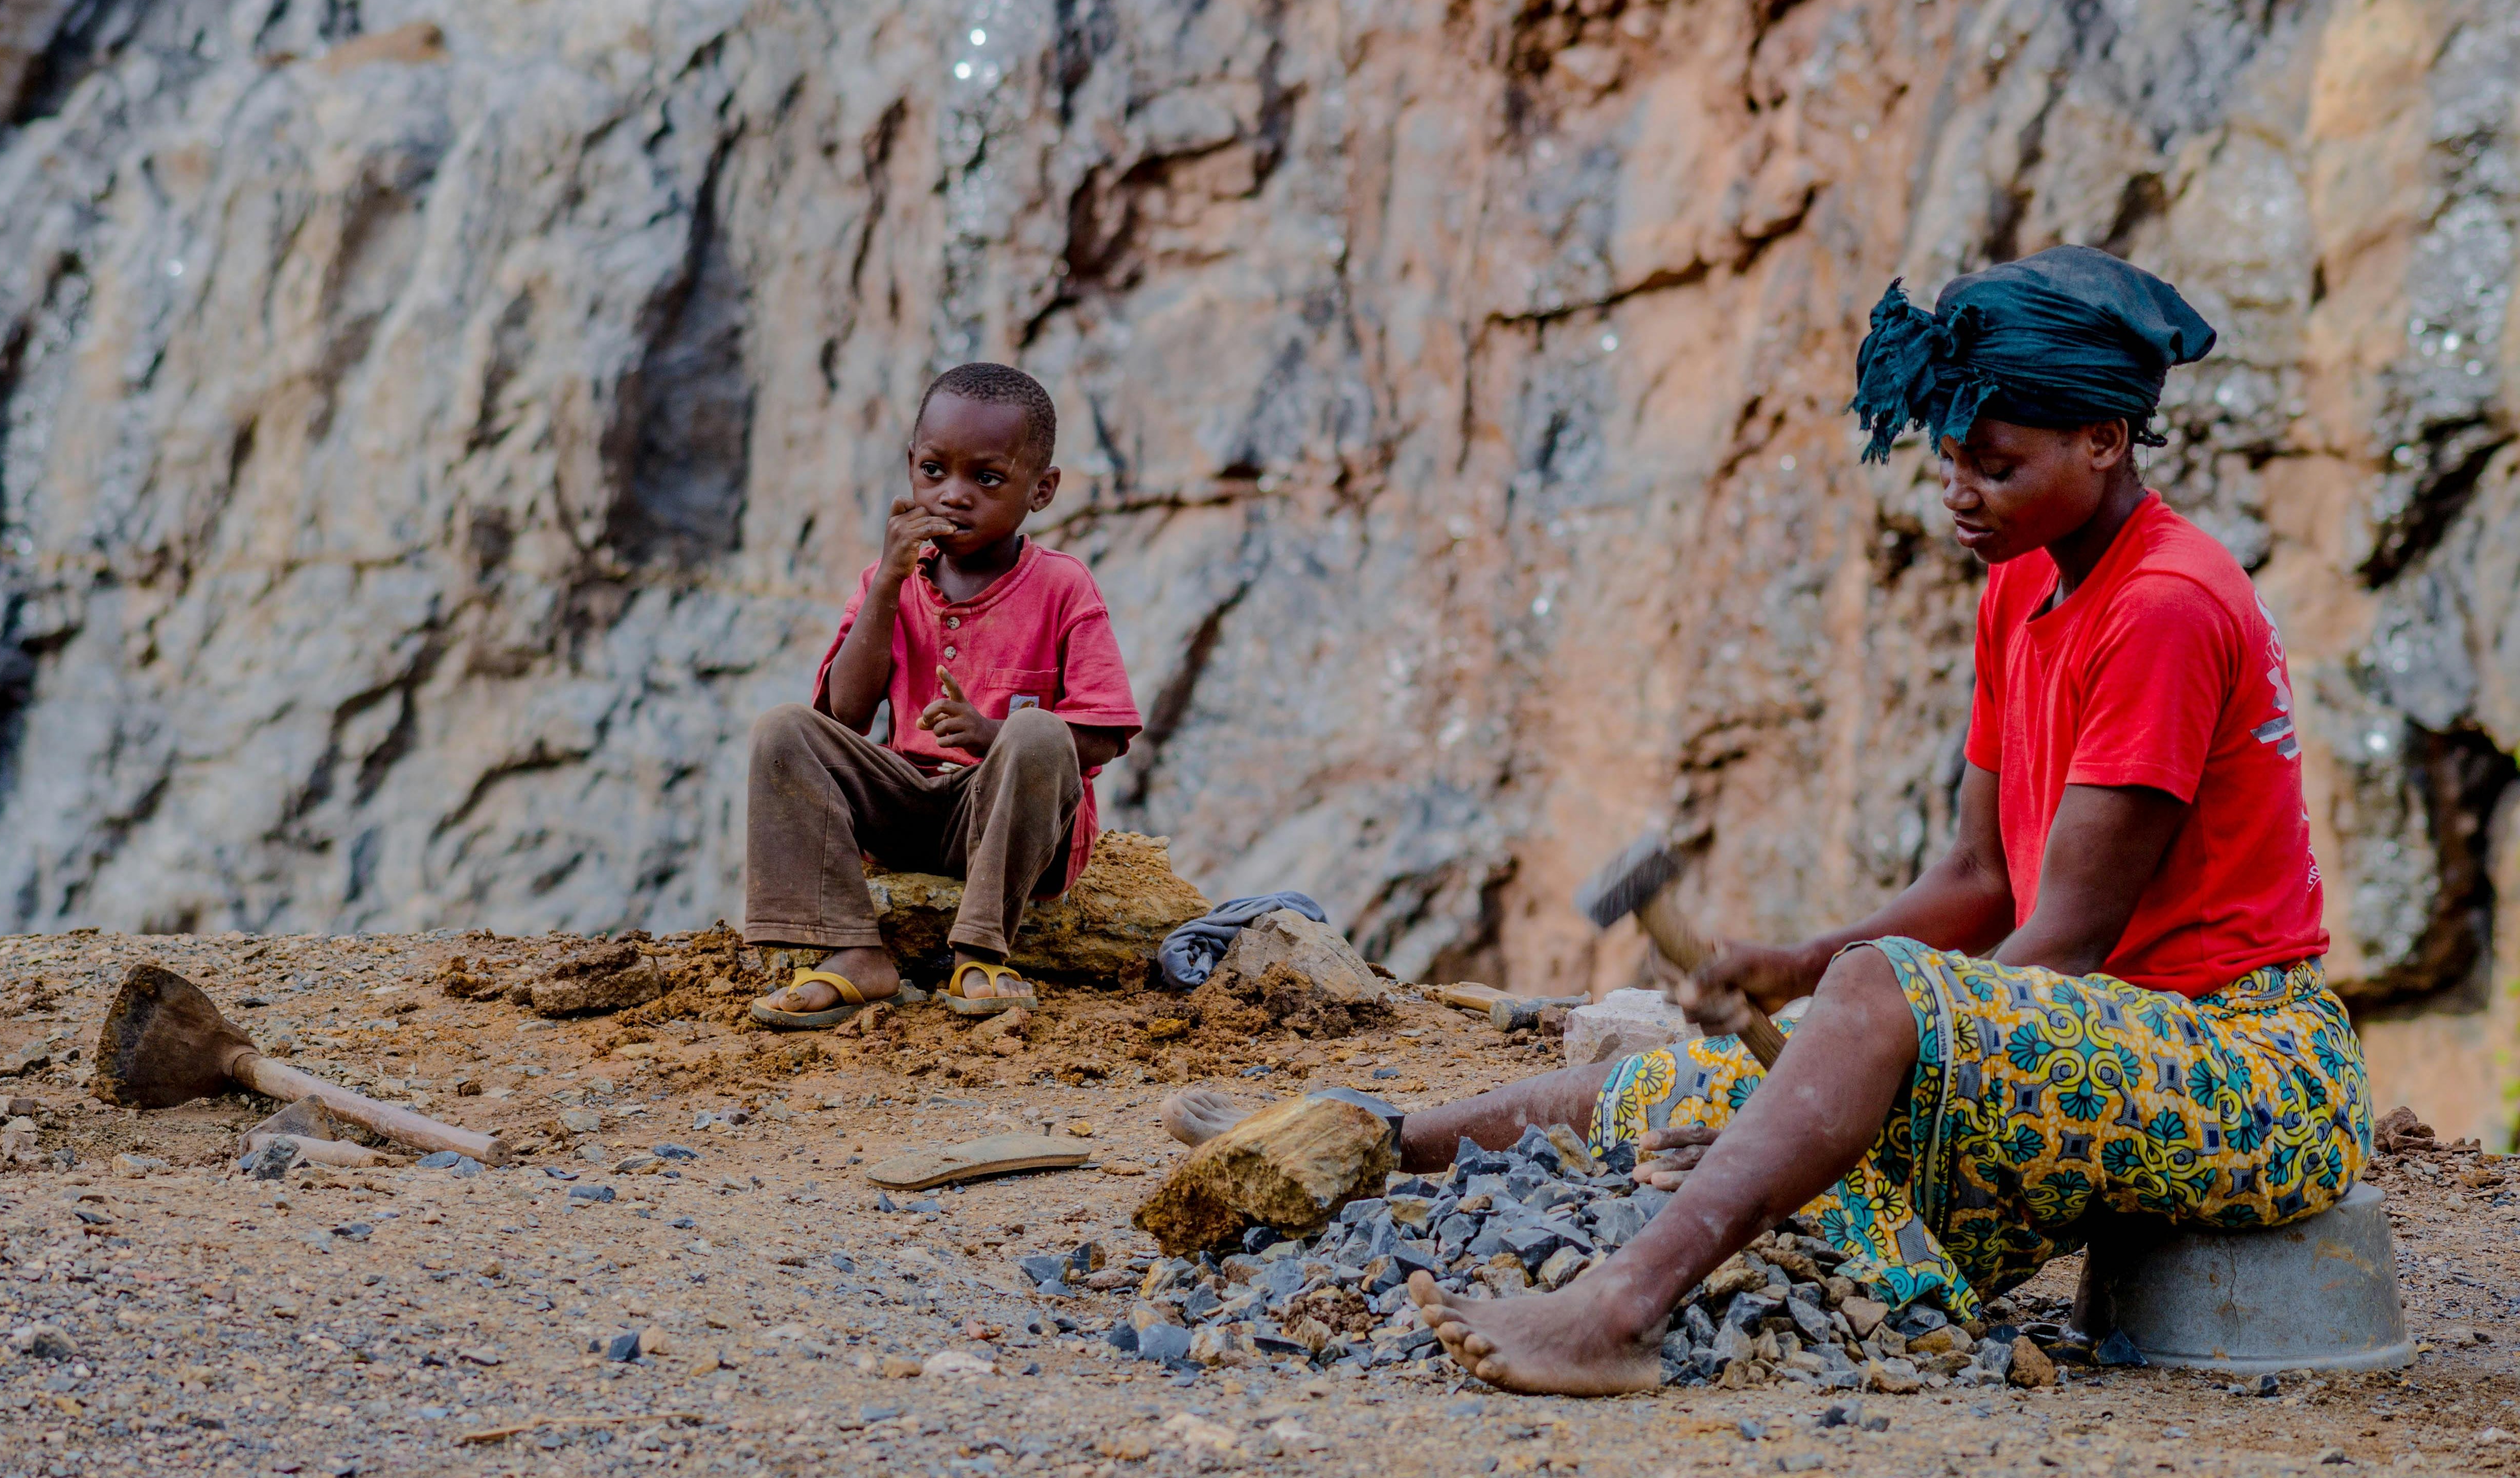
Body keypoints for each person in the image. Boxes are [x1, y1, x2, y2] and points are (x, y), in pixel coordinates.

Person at [1166, 247, 2367, 1396]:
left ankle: (1615, 1312)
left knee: (1857, 1020)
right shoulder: (2022, 581)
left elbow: (2056, 948)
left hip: (2246, 1070)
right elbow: (1977, 877)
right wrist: (1789, 970)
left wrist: (1856, 1027)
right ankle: (1365, 1137)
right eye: (1947, 459)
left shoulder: (2163, 606)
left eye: (1994, 465)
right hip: (2106, 1043)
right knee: (1681, 1087)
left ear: (2105, 441)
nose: (1959, 494)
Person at [740, 363, 1141, 1025]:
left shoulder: (1063, 587)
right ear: (910, 467)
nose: (953, 495)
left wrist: (992, 736)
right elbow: (844, 715)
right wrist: (888, 584)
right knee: (783, 730)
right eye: (934, 471)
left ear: (1041, 490)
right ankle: (851, 950)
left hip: (1009, 824)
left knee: (1039, 732)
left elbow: (1102, 737)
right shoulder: (888, 580)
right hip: (906, 810)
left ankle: (981, 952)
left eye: (987, 479)